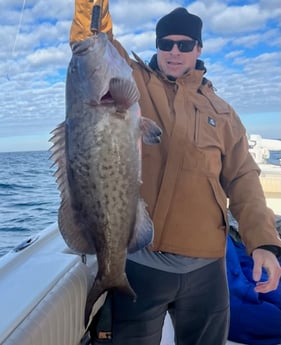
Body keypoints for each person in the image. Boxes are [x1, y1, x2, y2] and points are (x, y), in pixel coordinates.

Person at [70, 2, 281, 344]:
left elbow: (244, 178)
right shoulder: (131, 81)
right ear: (157, 46)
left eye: (184, 44)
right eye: (166, 43)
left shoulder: (223, 112)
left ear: (198, 49)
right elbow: (92, 41)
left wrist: (263, 243)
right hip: (142, 264)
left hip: (207, 269)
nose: (174, 51)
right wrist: (92, 6)